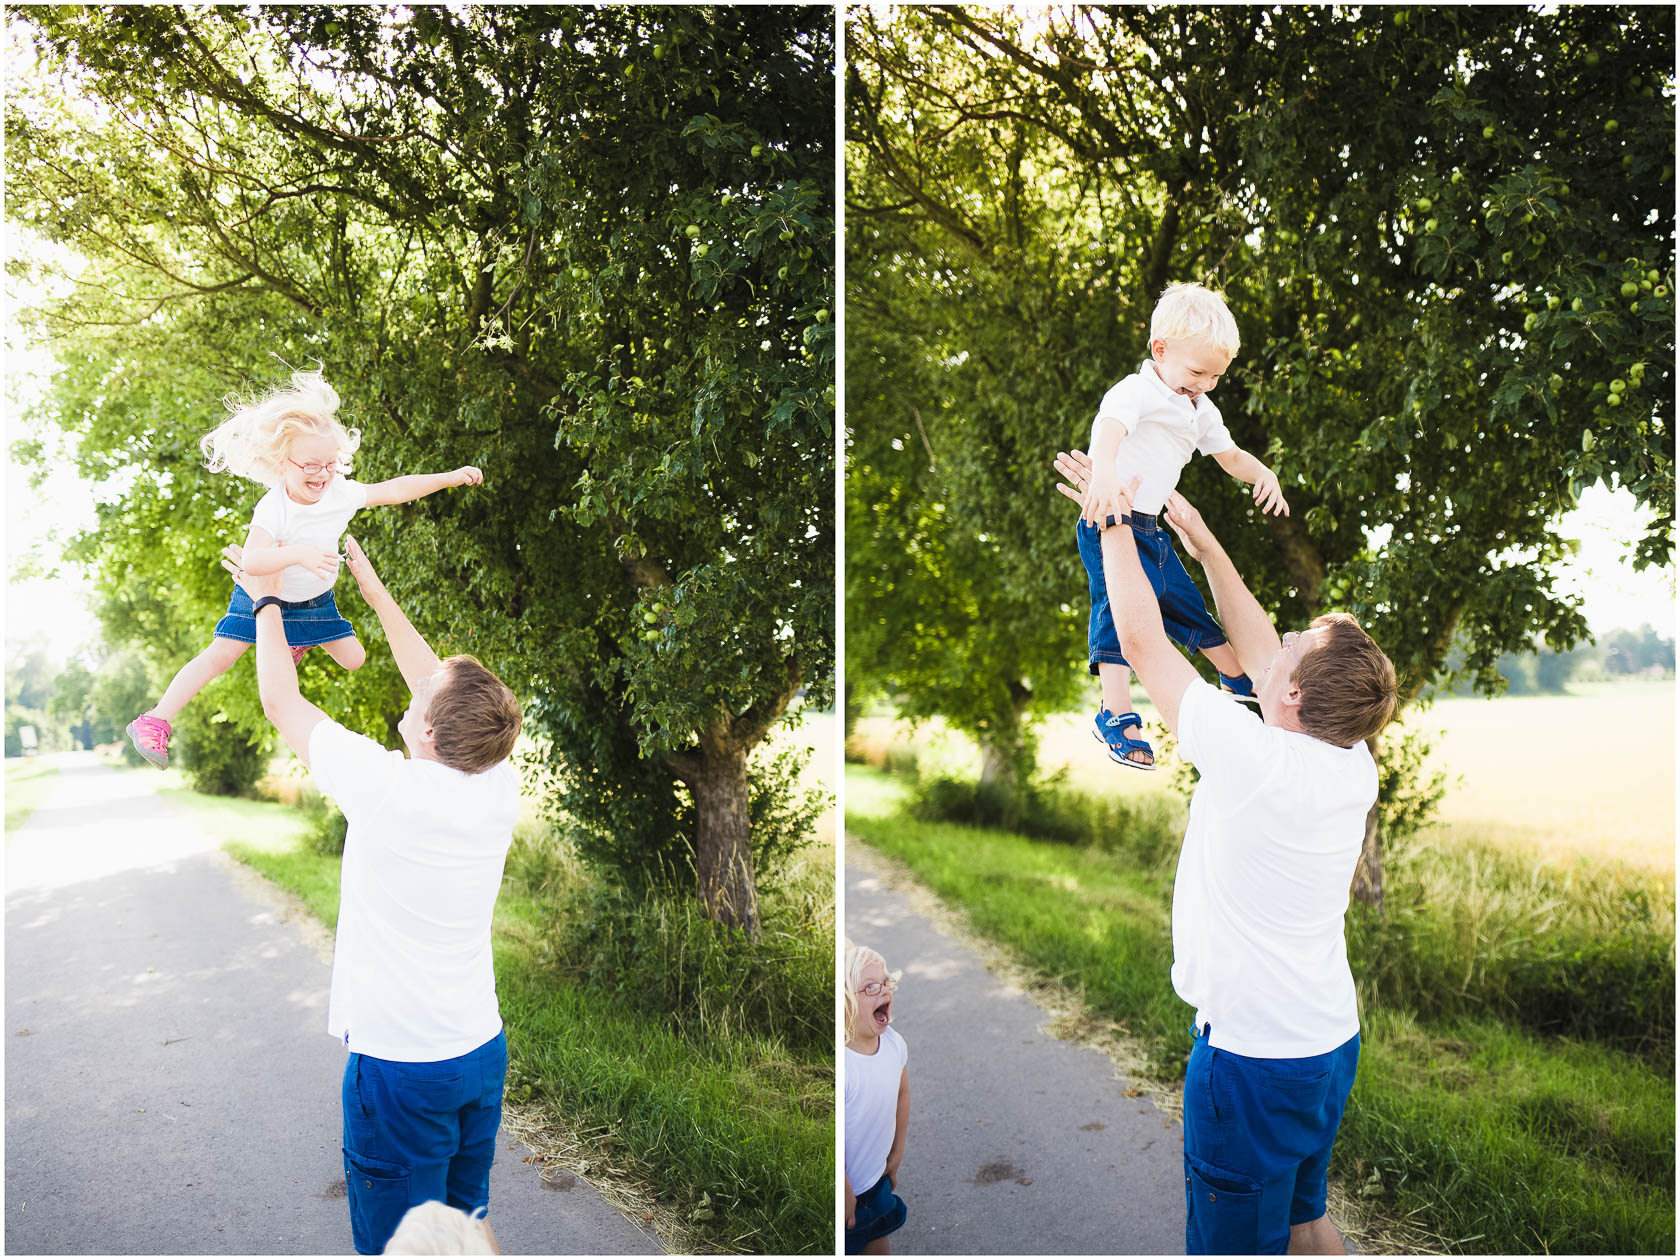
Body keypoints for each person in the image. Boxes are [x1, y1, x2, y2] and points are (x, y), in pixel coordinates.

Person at [1054, 449, 1397, 1256]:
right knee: (1305, 1220)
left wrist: (1110, 519)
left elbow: (1140, 641)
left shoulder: (1254, 757)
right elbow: (1254, 649)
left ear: (1289, 694)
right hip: (1325, 1043)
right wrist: (1206, 547)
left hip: (1251, 1062)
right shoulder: (1352, 761)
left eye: (1291, 646)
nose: (1275, 639)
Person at [222, 532, 523, 1256]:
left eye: (426, 692)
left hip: (401, 1069)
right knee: (464, 1226)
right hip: (478, 1051)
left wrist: (263, 594)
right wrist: (371, 587)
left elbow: (279, 699)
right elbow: (436, 682)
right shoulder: (497, 777)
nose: (417, 680)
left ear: (427, 727)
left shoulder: (386, 787)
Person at [126, 366, 483, 768]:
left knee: (354, 658)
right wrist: (297, 554)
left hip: (313, 601)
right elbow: (254, 560)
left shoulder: (340, 492)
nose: (323, 475)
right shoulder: (274, 507)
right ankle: (154, 720)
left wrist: (450, 477)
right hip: (261, 592)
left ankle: (291, 641)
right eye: (310, 466)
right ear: (283, 462)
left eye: (330, 464)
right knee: (219, 656)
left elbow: (396, 489)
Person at [1075, 281, 1290, 772]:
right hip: (1108, 516)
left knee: (1181, 600)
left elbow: (1230, 455)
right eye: (1197, 372)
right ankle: (1116, 710)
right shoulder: (1139, 390)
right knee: (1117, 609)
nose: (1206, 384)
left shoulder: (1200, 409)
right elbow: (1110, 425)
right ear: (1160, 350)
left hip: (1150, 527)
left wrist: (1263, 473)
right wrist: (1103, 471)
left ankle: (1235, 679)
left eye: (1216, 376)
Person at [843, 940, 909, 1256]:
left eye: (885, 983)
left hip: (876, 1183)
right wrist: (843, 1193)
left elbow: (902, 1093)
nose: (884, 991)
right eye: (870, 988)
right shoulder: (844, 1066)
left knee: (879, 1244)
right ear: (843, 1004)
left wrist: (896, 1155)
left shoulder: (894, 1045)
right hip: (847, 1198)